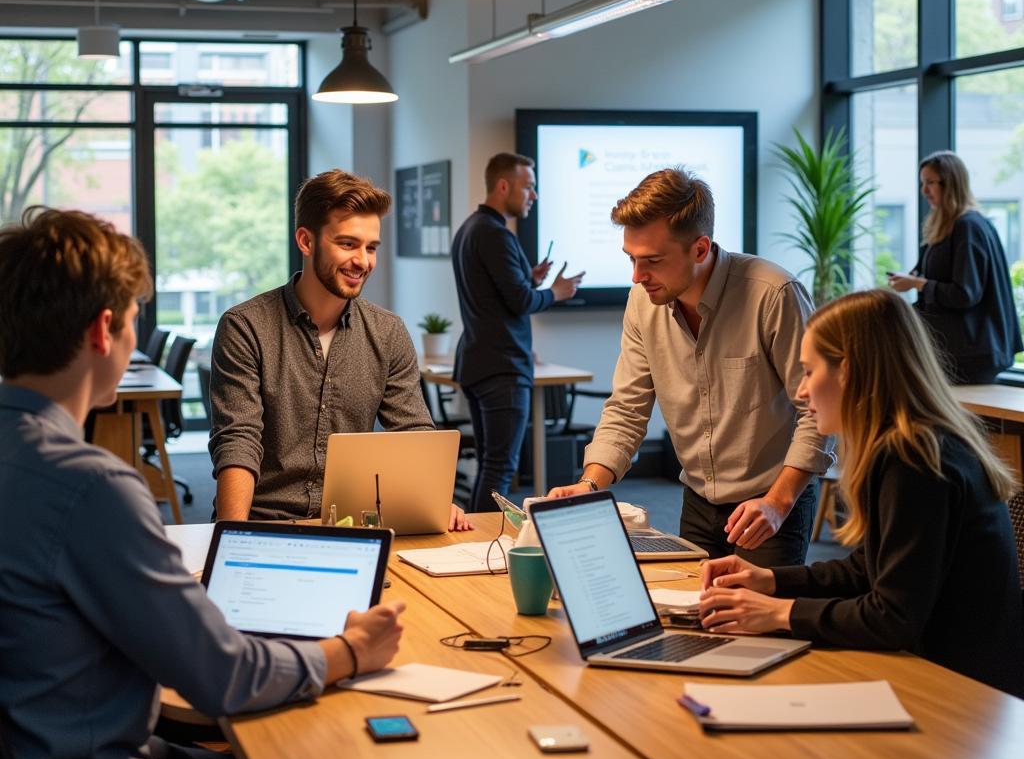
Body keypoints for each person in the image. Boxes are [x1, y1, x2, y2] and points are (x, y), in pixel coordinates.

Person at [0, 207, 406, 759]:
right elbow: (224, 678)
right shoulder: (92, 486)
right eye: (137, 320)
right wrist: (350, 651)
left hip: (50, 756)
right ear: (104, 331)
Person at [698, 288, 1024, 698]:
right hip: (952, 672)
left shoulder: (912, 459)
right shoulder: (919, 442)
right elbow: (870, 568)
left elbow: (892, 617)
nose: (800, 391)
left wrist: (779, 613)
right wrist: (770, 581)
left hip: (960, 691)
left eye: (809, 371)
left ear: (848, 371)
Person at [550, 167, 833, 566]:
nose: (637, 276)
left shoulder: (773, 295)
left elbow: (817, 412)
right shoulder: (642, 302)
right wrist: (589, 484)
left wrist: (778, 502)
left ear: (700, 250)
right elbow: (627, 408)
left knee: (758, 623)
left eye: (651, 261)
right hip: (697, 500)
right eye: (631, 259)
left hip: (772, 501)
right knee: (694, 617)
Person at [210, 169, 470, 529]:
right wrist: (233, 537)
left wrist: (436, 498)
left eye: (371, 248)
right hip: (266, 524)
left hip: (351, 526)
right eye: (348, 244)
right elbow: (238, 442)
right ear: (306, 241)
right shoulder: (246, 327)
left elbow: (413, 432)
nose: (363, 261)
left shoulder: (387, 332)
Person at [451, 152, 584, 511]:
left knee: (490, 465)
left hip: (477, 361)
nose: (534, 196)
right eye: (529, 187)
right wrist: (556, 291)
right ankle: (479, 549)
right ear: (503, 185)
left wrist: (529, 276)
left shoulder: (469, 229)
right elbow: (520, 302)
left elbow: (495, 294)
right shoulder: (495, 234)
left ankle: (474, 544)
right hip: (502, 368)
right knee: (500, 468)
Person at [888, 150, 1022, 384]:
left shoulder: (967, 228)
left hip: (969, 354)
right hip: (959, 350)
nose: (924, 191)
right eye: (923, 183)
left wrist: (917, 284)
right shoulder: (951, 227)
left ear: (950, 183)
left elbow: (965, 294)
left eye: (930, 183)